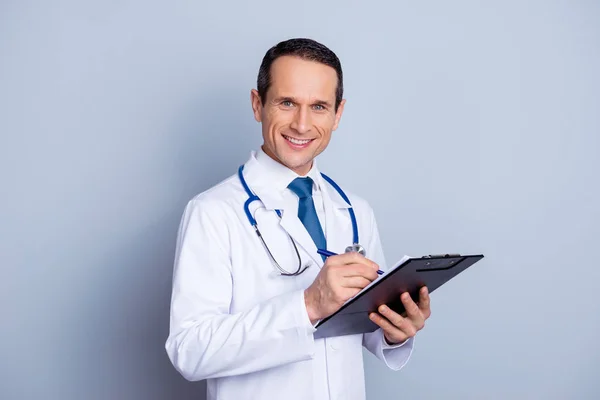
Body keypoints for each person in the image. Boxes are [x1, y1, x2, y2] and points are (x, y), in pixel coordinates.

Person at [165, 37, 432, 400]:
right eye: (287, 103)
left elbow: (363, 324)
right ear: (258, 105)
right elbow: (189, 350)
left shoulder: (355, 210)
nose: (302, 124)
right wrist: (306, 306)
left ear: (338, 114)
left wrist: (394, 329)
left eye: (319, 106)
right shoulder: (213, 212)